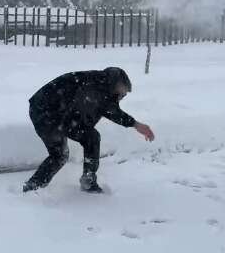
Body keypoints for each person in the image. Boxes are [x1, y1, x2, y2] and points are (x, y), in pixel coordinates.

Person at [24, 67, 155, 193]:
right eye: (123, 92)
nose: (122, 96)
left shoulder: (98, 83)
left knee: (65, 152)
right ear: (117, 83)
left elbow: (106, 109)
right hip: (47, 112)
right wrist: (136, 124)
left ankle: (34, 186)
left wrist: (135, 124)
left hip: (46, 110)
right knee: (83, 141)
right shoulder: (98, 86)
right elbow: (110, 110)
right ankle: (87, 181)